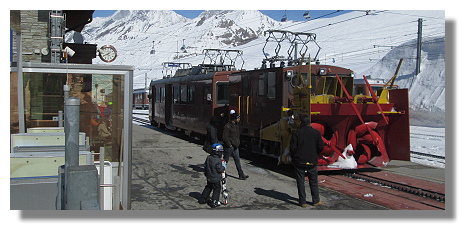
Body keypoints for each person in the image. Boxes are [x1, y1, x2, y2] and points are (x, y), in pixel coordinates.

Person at [289, 115, 324, 207]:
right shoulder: (316, 133)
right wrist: (315, 153)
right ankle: (316, 200)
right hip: (312, 160)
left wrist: (294, 157)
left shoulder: (296, 133)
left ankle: (302, 201)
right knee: (313, 181)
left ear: (300, 122)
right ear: (309, 123)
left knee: (300, 181)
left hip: (299, 160)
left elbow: (292, 148)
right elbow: (321, 146)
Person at [199, 143, 227, 208]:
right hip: (215, 178)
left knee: (208, 187)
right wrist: (224, 166)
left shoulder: (208, 157)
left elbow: (205, 166)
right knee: (217, 189)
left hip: (209, 177)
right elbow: (220, 170)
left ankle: (203, 198)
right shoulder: (218, 160)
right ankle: (214, 201)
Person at [222, 112, 249, 180]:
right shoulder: (228, 126)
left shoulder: (236, 125)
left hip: (235, 146)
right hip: (229, 147)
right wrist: (229, 144)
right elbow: (225, 137)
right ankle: (222, 173)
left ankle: (241, 174)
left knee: (237, 160)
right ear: (234, 118)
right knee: (225, 160)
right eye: (238, 118)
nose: (239, 119)